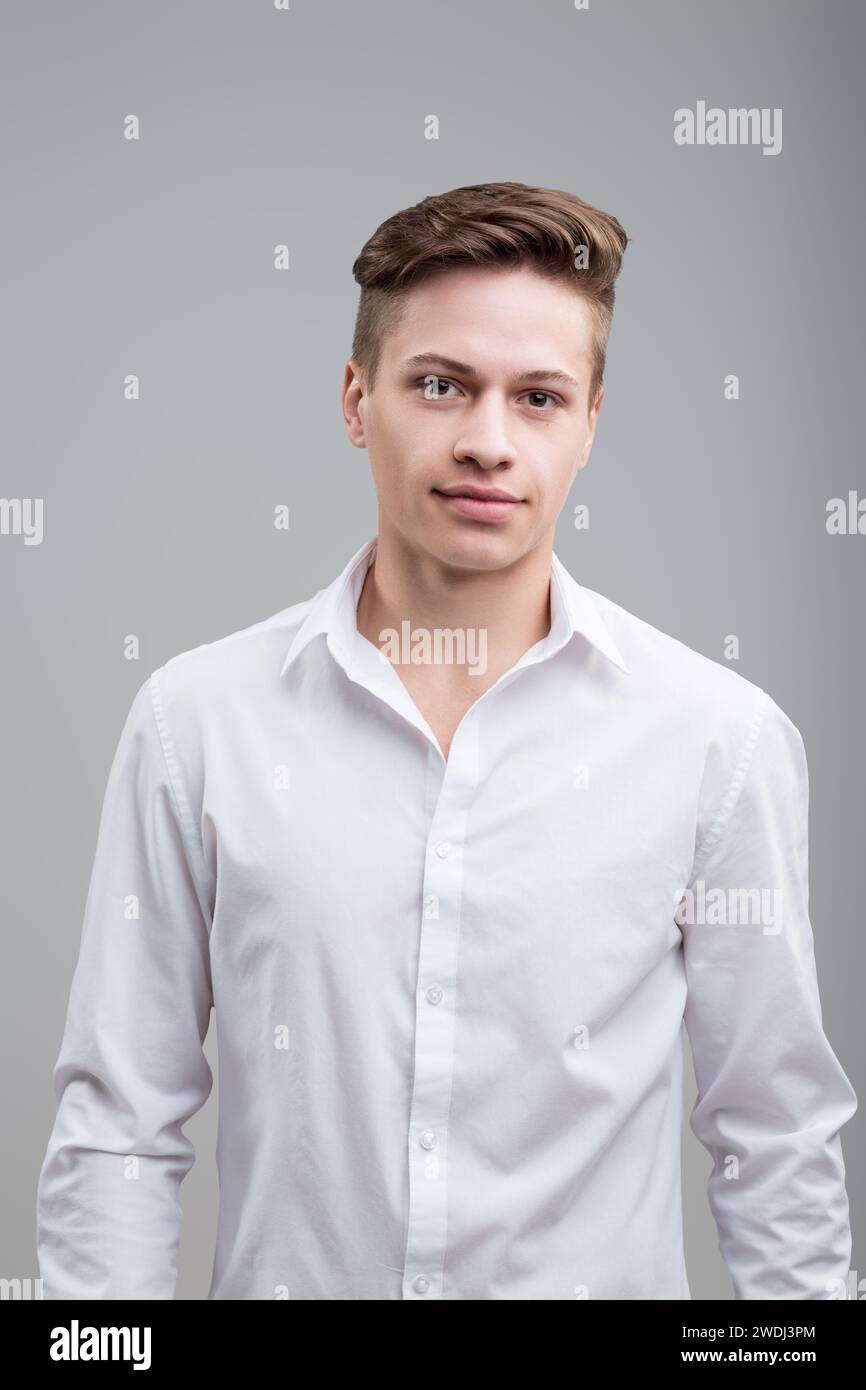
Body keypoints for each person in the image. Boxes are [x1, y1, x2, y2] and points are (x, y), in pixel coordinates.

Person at [36, 181, 857, 1300]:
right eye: (440, 384)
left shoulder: (717, 742)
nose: (486, 441)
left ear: (588, 426)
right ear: (355, 397)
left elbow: (775, 1140)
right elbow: (118, 1127)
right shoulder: (198, 724)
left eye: (538, 397)